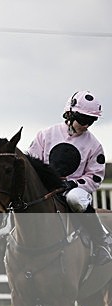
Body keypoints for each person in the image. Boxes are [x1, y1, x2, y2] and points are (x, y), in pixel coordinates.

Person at [27, 90, 109, 264]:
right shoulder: (45, 135)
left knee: (75, 198)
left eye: (92, 121)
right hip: (45, 189)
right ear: (70, 114)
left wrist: (73, 184)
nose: (86, 125)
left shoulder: (94, 145)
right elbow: (32, 164)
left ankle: (102, 240)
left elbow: (95, 177)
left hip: (74, 191)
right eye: (83, 119)